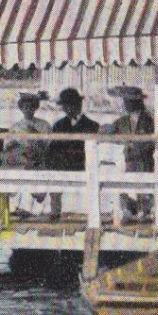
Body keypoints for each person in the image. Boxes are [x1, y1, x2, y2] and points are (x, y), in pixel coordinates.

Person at [102, 85, 155, 221]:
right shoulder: (122, 121)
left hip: (144, 162)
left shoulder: (148, 121)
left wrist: (136, 147)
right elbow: (107, 130)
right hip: (128, 161)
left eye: (129, 100)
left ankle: (145, 210)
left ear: (137, 102)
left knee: (144, 186)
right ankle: (128, 210)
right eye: (125, 100)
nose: (126, 103)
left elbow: (152, 142)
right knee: (123, 183)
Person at [46, 87, 99, 220]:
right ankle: (55, 211)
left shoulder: (92, 126)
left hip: (83, 165)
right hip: (62, 166)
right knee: (53, 172)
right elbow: (53, 149)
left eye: (68, 105)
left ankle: (92, 214)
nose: (65, 109)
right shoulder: (58, 125)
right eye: (64, 106)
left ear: (78, 105)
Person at [2, 91, 51, 217]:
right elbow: (7, 146)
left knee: (36, 171)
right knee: (13, 169)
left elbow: (49, 146)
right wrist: (12, 145)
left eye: (31, 107)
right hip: (21, 159)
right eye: (25, 107)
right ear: (21, 108)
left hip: (39, 159)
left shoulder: (44, 125)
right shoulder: (16, 126)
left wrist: (37, 136)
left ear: (35, 108)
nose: (28, 110)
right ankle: (17, 206)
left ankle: (34, 207)